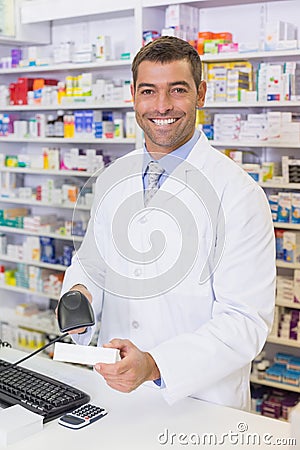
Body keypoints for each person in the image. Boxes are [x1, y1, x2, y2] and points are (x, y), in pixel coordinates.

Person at [59, 36, 275, 410]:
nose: (162, 106)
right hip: (117, 393)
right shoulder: (113, 179)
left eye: (177, 90)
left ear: (201, 94)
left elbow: (244, 322)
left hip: (201, 402)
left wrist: (156, 364)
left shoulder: (238, 194)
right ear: (133, 96)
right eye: (149, 91)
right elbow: (93, 264)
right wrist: (81, 299)